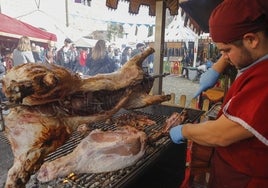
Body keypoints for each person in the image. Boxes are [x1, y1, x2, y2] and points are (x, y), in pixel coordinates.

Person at [166, 0, 268, 187]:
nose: (224, 57)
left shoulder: (265, 78)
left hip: (247, 179)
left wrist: (184, 130)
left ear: (252, 40)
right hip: (230, 170)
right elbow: (237, 50)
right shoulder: (255, 61)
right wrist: (218, 66)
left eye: (226, 50)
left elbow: (222, 134)